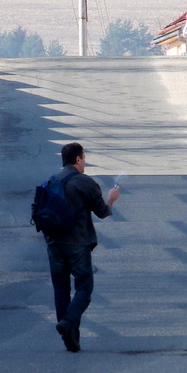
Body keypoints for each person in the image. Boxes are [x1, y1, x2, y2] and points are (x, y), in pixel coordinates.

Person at [44, 142, 120, 353]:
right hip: (78, 243)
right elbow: (102, 212)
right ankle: (68, 324)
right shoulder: (85, 182)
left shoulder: (51, 181)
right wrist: (111, 200)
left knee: (61, 292)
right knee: (84, 289)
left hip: (54, 243)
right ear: (77, 159)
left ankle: (71, 339)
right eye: (84, 158)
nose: (85, 162)